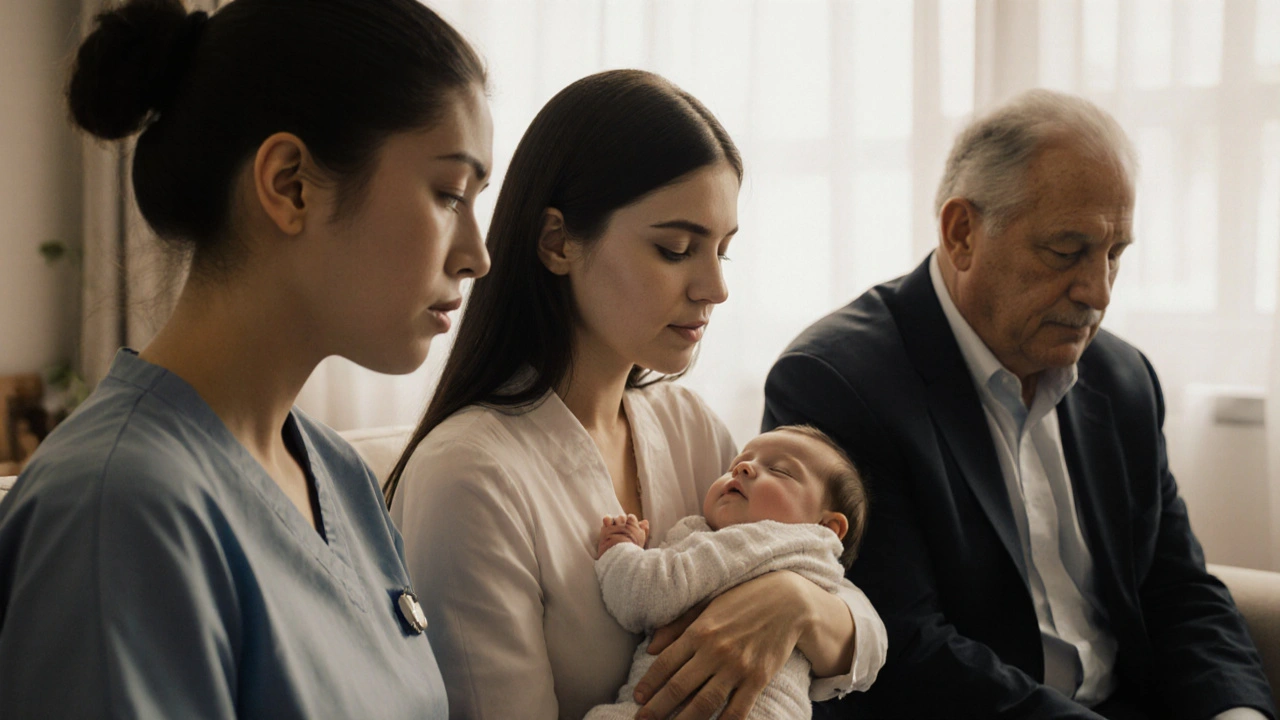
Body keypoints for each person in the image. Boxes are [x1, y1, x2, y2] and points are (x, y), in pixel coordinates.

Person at [0, 1, 490, 717]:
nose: (477, 255)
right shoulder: (118, 510)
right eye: (450, 194)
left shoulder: (340, 474)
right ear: (291, 183)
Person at [386, 69, 887, 720]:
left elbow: (866, 637)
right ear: (558, 242)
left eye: (722, 252)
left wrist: (793, 603)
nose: (714, 286)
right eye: (676, 249)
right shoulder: (471, 475)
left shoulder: (688, 427)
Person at [763, 89, 1276, 719]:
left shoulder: (1123, 377)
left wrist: (1237, 714)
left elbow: (1177, 587)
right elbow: (904, 648)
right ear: (962, 233)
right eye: (1067, 251)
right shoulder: (838, 382)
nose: (1099, 291)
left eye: (1115, 255)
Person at [586, 425, 870, 720]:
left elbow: (646, 594)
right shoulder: (823, 576)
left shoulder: (752, 542)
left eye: (780, 470)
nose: (744, 468)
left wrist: (621, 549)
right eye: (735, 465)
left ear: (826, 527)